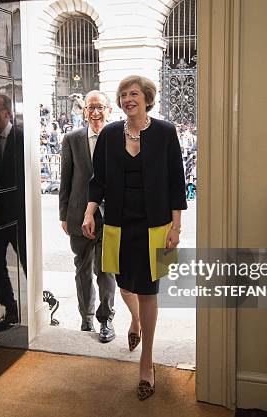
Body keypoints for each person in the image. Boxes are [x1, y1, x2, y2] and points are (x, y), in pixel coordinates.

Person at [82, 75, 186, 400]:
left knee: (150, 289)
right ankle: (135, 320)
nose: (129, 99)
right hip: (118, 224)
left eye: (134, 94)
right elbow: (97, 180)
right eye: (124, 94)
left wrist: (176, 227)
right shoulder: (110, 134)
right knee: (125, 284)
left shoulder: (166, 132)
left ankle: (147, 361)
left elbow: (176, 183)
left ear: (147, 98)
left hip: (156, 226)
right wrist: (89, 212)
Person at [59, 90, 116, 341]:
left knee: (106, 269)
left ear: (109, 110)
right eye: (90, 108)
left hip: (110, 215)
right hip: (78, 214)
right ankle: (87, 318)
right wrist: (64, 215)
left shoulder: (118, 137)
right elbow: (65, 180)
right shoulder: (71, 139)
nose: (95, 112)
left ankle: (106, 320)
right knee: (82, 269)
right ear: (84, 111)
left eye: (100, 107)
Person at [0, 93, 27, 332]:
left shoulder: (21, 137)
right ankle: (10, 309)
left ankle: (38, 304)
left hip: (19, 215)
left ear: (8, 113)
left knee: (26, 262)